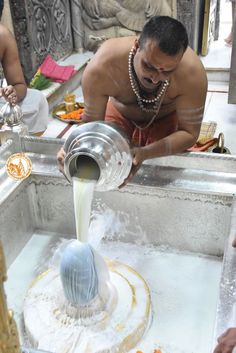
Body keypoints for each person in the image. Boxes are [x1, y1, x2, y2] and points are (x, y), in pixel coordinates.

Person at [57, 16, 208, 183]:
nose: (155, 78)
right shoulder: (102, 67)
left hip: (166, 122)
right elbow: (92, 126)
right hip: (119, 118)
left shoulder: (192, 74)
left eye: (167, 72)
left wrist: (146, 153)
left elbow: (189, 134)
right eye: (149, 66)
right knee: (106, 170)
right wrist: (72, 147)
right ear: (137, 47)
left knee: (163, 178)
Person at [0, 22, 49, 135]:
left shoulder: (3, 36)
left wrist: (13, 94)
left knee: (37, 99)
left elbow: (19, 84)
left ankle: (22, 146)